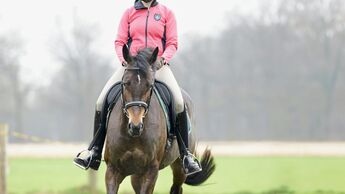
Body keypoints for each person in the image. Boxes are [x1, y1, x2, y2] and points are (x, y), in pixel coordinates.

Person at [73, 0, 202, 175]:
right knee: (100, 100)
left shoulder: (166, 13)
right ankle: (94, 150)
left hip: (157, 65)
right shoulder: (129, 13)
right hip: (132, 66)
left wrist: (163, 59)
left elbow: (172, 42)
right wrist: (124, 60)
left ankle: (186, 155)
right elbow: (119, 41)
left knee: (179, 102)